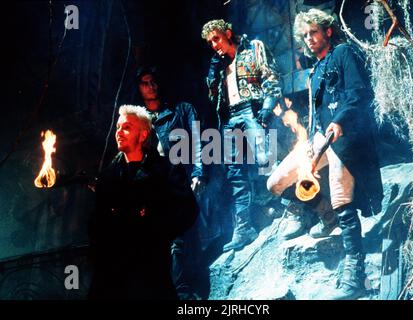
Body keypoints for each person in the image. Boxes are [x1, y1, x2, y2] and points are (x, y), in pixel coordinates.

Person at [269, 8, 383, 300]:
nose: (309, 39)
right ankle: (326, 215)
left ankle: (355, 275)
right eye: (305, 35)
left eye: (313, 32)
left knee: (341, 191)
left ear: (327, 31)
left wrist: (340, 121)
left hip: (346, 135)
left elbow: (359, 93)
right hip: (321, 136)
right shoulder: (315, 70)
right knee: (276, 181)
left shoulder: (343, 53)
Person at [88, 105, 199, 299]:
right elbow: (96, 223)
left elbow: (188, 209)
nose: (119, 132)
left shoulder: (166, 168)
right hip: (114, 275)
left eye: (127, 127)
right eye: (118, 127)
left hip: (152, 270)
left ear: (143, 134)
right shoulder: (107, 177)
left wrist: (154, 229)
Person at [201, 19, 282, 252]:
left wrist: (267, 109)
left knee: (267, 159)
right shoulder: (218, 63)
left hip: (252, 110)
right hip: (229, 117)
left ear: (228, 33)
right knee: (235, 172)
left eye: (216, 38)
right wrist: (212, 72)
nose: (214, 45)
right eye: (210, 42)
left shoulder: (253, 48)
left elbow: (272, 79)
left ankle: (292, 207)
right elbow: (211, 96)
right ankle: (244, 227)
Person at [136, 66, 207, 299]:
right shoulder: (139, 122)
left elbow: (198, 143)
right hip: (158, 189)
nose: (150, 86)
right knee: (173, 242)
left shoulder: (181, 110)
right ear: (139, 88)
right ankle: (183, 293)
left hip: (184, 181)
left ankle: (196, 288)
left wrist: (198, 172)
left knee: (191, 235)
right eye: (145, 82)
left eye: (153, 81)